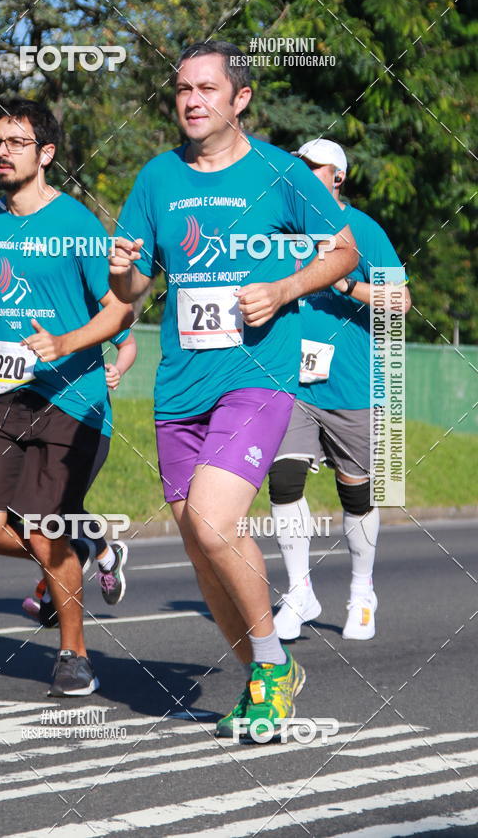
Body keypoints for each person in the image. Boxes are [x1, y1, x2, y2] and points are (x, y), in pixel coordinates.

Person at [109, 42, 358, 739]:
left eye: (207, 88)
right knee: (198, 540)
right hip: (180, 384)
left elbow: (342, 250)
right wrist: (125, 270)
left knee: (218, 521)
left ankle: (274, 667)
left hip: (257, 376)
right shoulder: (157, 179)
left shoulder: (282, 174)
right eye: (183, 89)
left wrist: (282, 288)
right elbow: (130, 291)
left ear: (239, 98)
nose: (192, 100)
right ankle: (259, 673)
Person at [0, 96, 132, 696]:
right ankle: (85, 541)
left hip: (72, 401)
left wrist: (64, 341)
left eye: (17, 142)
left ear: (47, 154)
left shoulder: (77, 224)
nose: (3, 152)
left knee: (40, 528)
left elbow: (119, 310)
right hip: (1, 398)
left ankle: (74, 653)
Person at [270, 138, 411, 641]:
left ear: (338, 177)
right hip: (293, 384)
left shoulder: (365, 232)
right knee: (283, 482)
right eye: (299, 167)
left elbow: (401, 301)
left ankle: (361, 591)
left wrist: (346, 285)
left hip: (352, 386)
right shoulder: (285, 229)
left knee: (356, 498)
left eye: (315, 168)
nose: (305, 174)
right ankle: (299, 590)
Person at [22, 328, 137, 622]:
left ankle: (105, 558)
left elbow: (128, 344)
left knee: (62, 505)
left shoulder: (90, 301)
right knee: (34, 509)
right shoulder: (31, 308)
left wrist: (118, 369)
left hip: (90, 425)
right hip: (42, 423)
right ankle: (72, 560)